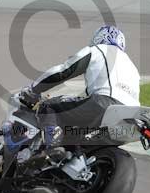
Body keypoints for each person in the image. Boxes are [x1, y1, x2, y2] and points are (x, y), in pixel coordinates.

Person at [18, 25, 139, 153]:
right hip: (131, 116)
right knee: (78, 135)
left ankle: (52, 146)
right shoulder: (132, 66)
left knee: (48, 106)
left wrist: (34, 89)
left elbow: (63, 71)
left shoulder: (97, 50)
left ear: (98, 38)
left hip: (104, 103)